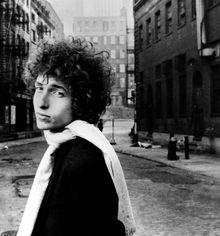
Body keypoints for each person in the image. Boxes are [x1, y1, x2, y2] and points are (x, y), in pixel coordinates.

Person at [17, 39, 135, 236]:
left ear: (82, 98)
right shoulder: (63, 145)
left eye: (57, 92)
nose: (42, 102)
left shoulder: (83, 160)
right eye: (39, 88)